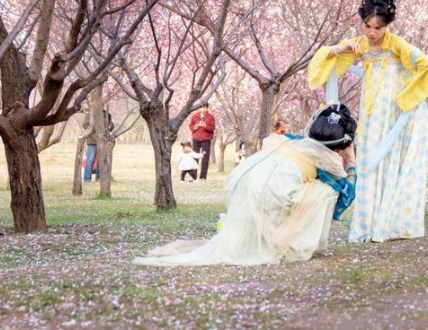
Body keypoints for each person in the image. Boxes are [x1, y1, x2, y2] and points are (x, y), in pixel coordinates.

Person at [135, 104, 358, 267]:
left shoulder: (292, 140)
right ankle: (279, 241)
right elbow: (346, 197)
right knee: (328, 191)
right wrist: (352, 162)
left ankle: (266, 236)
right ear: (342, 144)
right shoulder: (327, 161)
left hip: (246, 183)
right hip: (274, 195)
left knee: (310, 185)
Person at [308, 0, 428, 243]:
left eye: (378, 27)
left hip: (394, 111)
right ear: (362, 23)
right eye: (367, 26)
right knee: (367, 161)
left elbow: (423, 63)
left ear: (387, 26)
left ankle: (390, 222)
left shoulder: (396, 44)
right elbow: (326, 58)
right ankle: (367, 224)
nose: (372, 32)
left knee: (388, 161)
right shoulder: (361, 44)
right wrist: (341, 49)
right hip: (372, 112)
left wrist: (404, 95)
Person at [188, 102, 216, 181]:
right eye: (201, 107)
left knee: (205, 158)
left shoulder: (210, 117)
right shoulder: (195, 116)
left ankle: (203, 177)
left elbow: (212, 128)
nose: (202, 109)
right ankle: (193, 176)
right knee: (194, 157)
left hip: (206, 139)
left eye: (204, 107)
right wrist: (195, 127)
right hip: (196, 138)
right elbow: (191, 125)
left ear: (207, 108)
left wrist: (205, 126)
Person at [81, 112, 99, 183]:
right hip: (92, 140)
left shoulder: (106, 114)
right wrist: (95, 128)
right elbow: (85, 125)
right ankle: (87, 179)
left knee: (101, 161)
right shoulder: (89, 114)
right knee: (90, 161)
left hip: (103, 141)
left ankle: (99, 178)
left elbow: (111, 124)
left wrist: (110, 126)